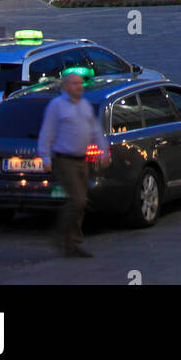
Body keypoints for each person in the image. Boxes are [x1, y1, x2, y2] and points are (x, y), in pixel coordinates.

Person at [37, 69, 109, 258]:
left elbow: (95, 130)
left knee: (80, 204)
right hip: (64, 160)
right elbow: (47, 133)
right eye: (75, 84)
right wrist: (45, 158)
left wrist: (103, 152)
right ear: (66, 86)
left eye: (80, 84)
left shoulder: (84, 105)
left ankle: (73, 244)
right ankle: (60, 233)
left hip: (82, 160)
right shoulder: (57, 106)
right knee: (78, 200)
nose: (79, 87)